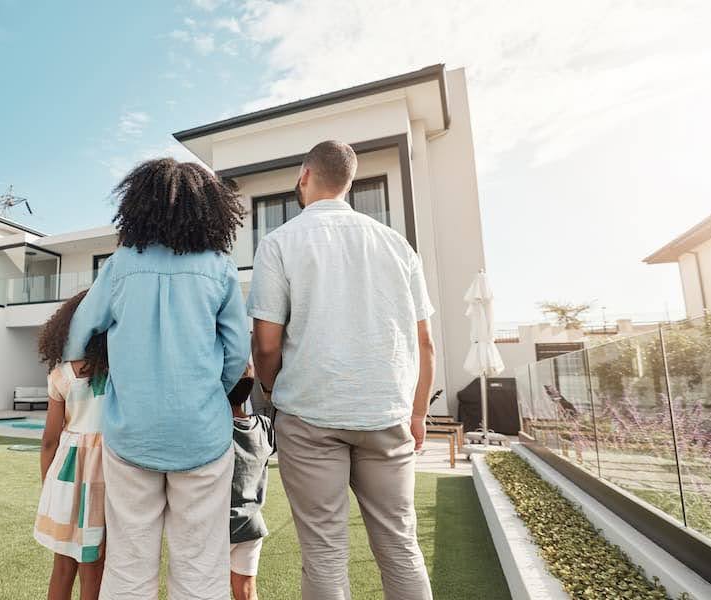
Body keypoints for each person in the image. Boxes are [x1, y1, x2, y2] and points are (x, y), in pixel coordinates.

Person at [248, 140, 436, 600]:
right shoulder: (398, 246)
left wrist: (272, 390)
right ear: (349, 182)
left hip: (309, 416)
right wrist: (417, 414)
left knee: (325, 556)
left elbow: (266, 344)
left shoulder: (279, 243)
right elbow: (424, 343)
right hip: (387, 416)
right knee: (400, 546)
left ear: (304, 174)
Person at [64, 158, 251, 600]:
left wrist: (80, 368)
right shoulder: (219, 267)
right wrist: (213, 393)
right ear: (208, 208)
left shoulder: (121, 264)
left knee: (128, 566)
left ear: (138, 204)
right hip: (203, 436)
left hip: (131, 436)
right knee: (202, 567)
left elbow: (78, 332)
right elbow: (237, 350)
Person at [34, 292, 109, 600]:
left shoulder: (61, 374)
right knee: (95, 568)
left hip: (65, 473)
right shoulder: (118, 373)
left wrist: (47, 486)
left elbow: (50, 439)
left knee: (62, 567)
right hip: (105, 473)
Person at [226, 365, 274, 600]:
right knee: (247, 592)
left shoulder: (218, 430)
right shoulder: (264, 426)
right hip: (252, 524)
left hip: (220, 528)